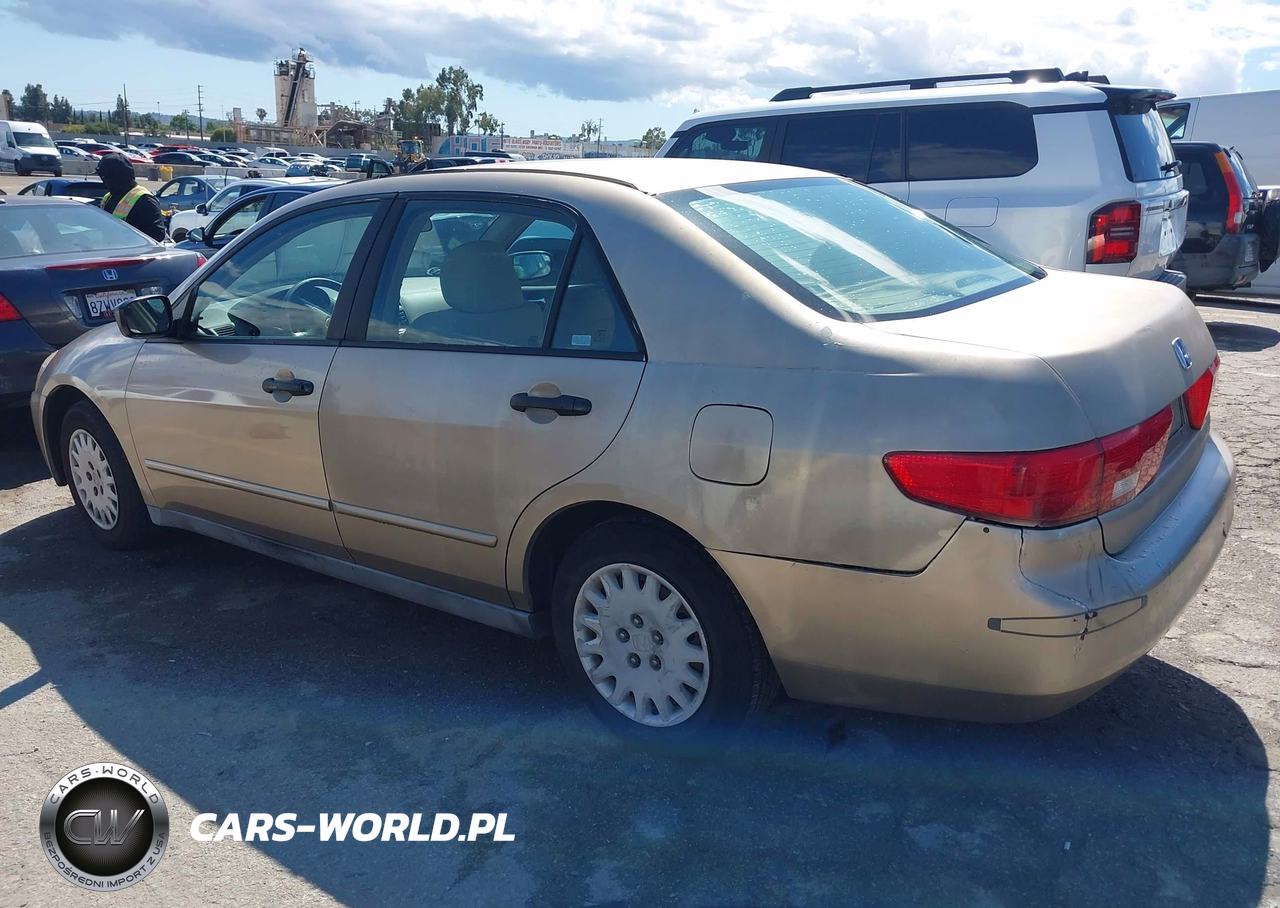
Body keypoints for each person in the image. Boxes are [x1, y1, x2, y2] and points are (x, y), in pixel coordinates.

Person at [95, 153, 166, 241]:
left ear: (114, 176)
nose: (104, 181)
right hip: (109, 247)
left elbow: (157, 234)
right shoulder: (109, 197)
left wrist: (127, 237)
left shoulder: (144, 200)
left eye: (104, 177)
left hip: (132, 249)